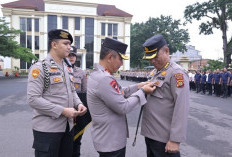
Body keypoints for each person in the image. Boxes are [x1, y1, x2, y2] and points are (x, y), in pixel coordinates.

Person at [87, 37, 156, 157]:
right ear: (110, 57)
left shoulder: (98, 74)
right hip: (110, 141)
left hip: (106, 138)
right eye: (120, 59)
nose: (122, 63)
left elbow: (118, 92)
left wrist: (138, 86)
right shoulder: (104, 78)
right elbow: (123, 106)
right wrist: (143, 92)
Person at [27, 29, 87, 157]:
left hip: (67, 127)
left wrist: (79, 104)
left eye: (70, 44)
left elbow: (72, 90)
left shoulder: (66, 68)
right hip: (47, 130)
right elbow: (33, 99)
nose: (69, 47)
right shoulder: (40, 67)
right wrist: (62, 111)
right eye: (65, 44)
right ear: (54, 45)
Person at [141, 34, 189, 157]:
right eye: (149, 58)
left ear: (166, 51)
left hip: (165, 139)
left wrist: (175, 139)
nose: (152, 61)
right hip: (151, 135)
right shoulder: (156, 72)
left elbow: (181, 108)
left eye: (155, 57)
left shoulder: (176, 73)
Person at [67, 46, 91, 157]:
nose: (71, 57)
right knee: (64, 141)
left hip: (77, 112)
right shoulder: (59, 70)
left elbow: (84, 92)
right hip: (64, 111)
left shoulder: (81, 72)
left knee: (77, 140)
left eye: (73, 55)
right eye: (69, 55)